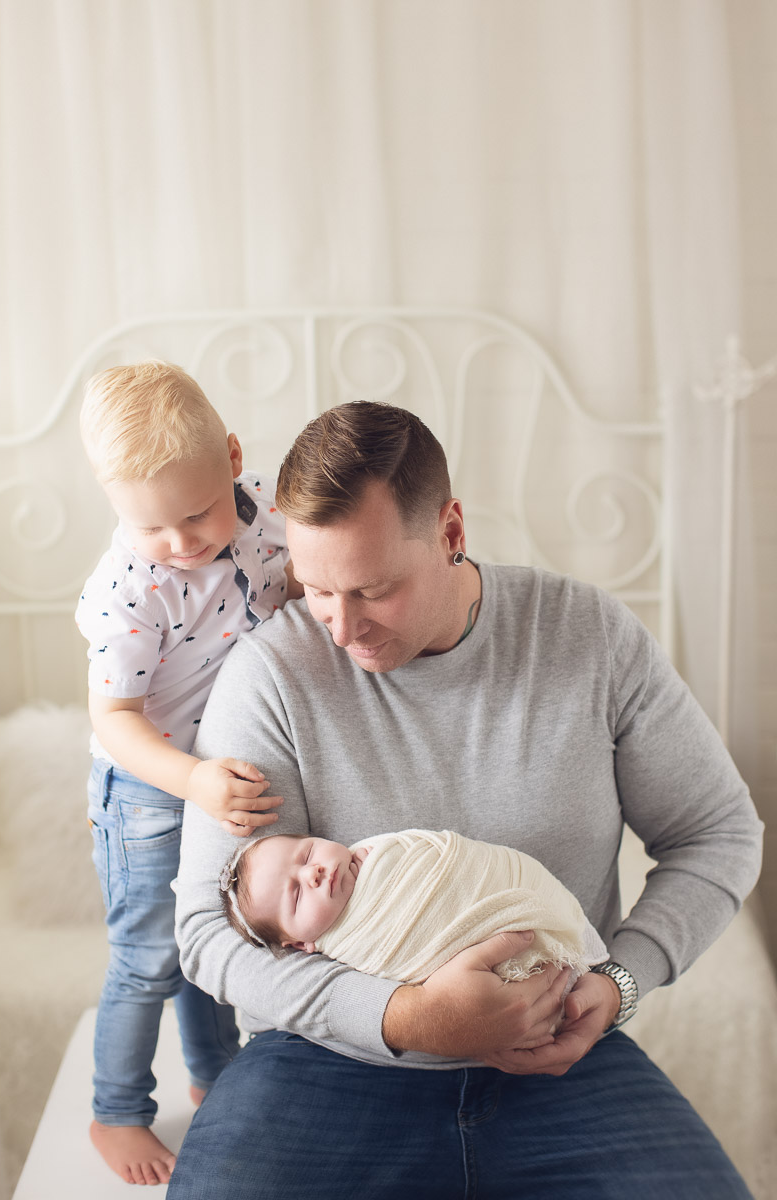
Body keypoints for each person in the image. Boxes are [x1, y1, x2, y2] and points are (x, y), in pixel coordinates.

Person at [169, 400, 763, 1199]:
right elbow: (207, 929)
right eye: (316, 590)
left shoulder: (586, 638)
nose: (341, 630)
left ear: (451, 532)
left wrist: (620, 983)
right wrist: (406, 1017)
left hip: (560, 1046)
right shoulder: (271, 676)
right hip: (324, 1056)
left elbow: (718, 833)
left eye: (373, 590)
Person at [75, 360, 302, 1186]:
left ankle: (217, 1075)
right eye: (152, 526)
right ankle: (116, 1111)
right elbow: (115, 720)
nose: (181, 543)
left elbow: (303, 580)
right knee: (149, 958)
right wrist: (192, 782)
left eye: (198, 513)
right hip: (146, 785)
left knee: (215, 933)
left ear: (235, 456)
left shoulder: (275, 513)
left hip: (218, 772)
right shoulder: (134, 588)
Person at [220, 829, 608, 990]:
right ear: (302, 945)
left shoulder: (385, 851)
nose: (314, 873)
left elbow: (459, 863)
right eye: (296, 896)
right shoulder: (351, 942)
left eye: (307, 853)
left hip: (523, 900)